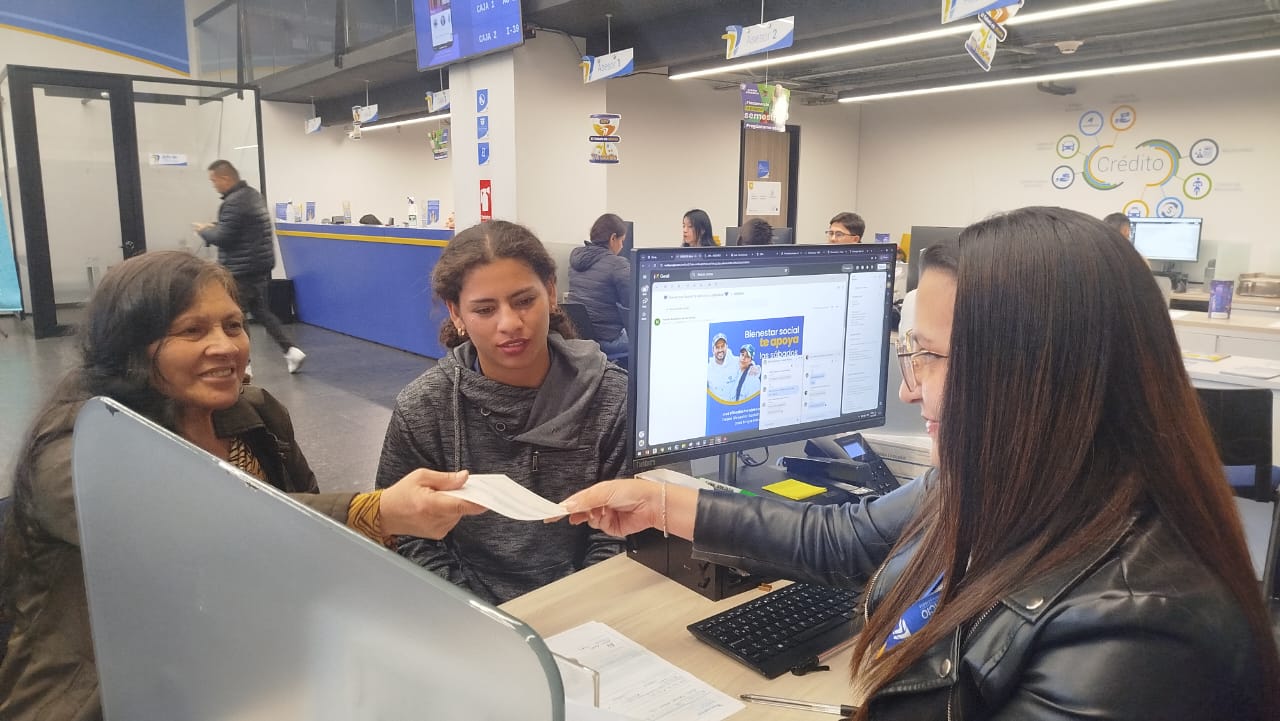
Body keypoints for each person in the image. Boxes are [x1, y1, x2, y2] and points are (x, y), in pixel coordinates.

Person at [562, 207, 1279, 720]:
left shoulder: (1135, 632)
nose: (909, 389)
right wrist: (659, 503)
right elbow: (845, 538)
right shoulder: (998, 482)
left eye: (928, 356)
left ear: (1032, 375)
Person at [0, 251, 486, 721]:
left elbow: (309, 549)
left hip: (247, 675)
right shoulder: (77, 442)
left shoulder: (255, 416)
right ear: (131, 346)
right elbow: (195, 526)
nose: (226, 346)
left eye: (233, 325)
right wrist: (372, 511)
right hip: (112, 697)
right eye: (193, 330)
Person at [375, 220, 629, 605]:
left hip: (592, 605)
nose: (510, 323)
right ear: (456, 313)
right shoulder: (424, 408)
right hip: (465, 615)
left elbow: (621, 532)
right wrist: (485, 619)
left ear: (551, 292)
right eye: (484, 309)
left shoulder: (611, 396)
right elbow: (407, 535)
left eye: (524, 301)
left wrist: (574, 610)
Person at [194, 160, 306, 375]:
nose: (214, 185)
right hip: (257, 267)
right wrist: (215, 227)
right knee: (261, 312)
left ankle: (245, 366)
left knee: (236, 316)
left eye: (214, 181)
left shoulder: (234, 202)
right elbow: (239, 229)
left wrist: (204, 231)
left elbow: (224, 237)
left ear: (225, 178)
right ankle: (291, 351)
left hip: (239, 270)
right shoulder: (253, 196)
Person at [567, 213, 630, 363]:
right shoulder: (618, 264)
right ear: (613, 238)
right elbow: (632, 304)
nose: (622, 246)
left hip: (579, 336)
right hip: (607, 340)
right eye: (622, 241)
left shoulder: (576, 259)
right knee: (651, 338)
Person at [706, 333, 739, 401]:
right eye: (717, 347)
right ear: (713, 350)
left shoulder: (736, 362)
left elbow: (750, 365)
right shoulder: (708, 369)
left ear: (727, 347)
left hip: (735, 406)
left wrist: (755, 369)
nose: (720, 350)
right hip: (717, 406)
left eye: (722, 346)